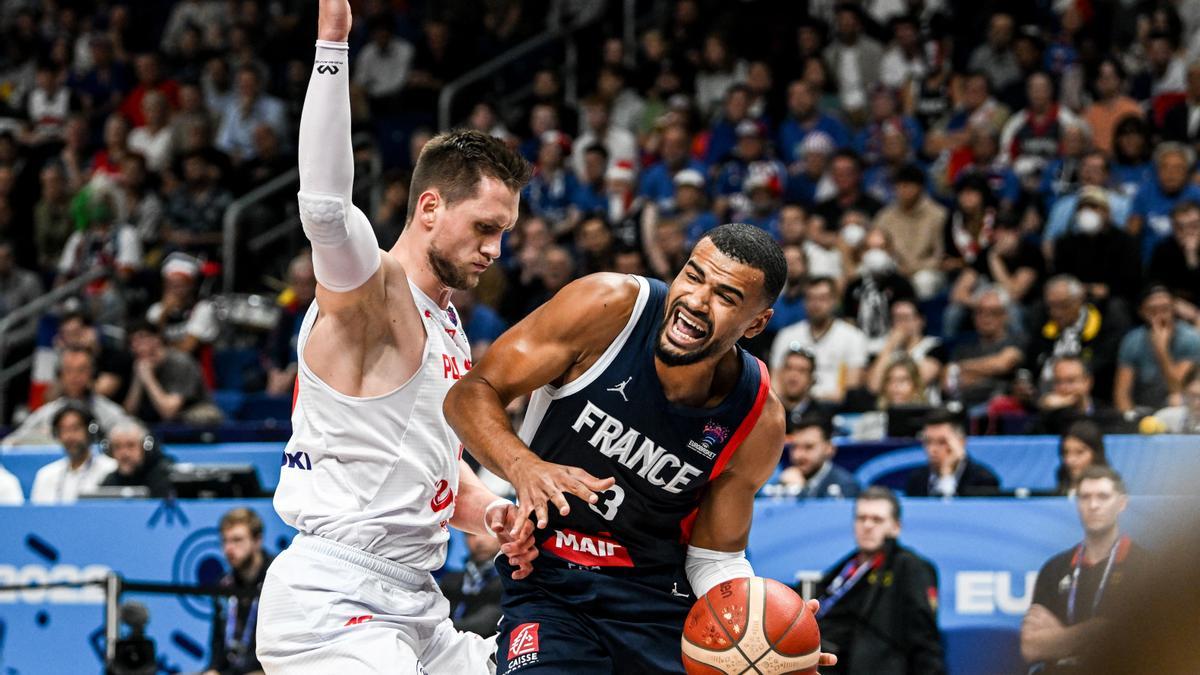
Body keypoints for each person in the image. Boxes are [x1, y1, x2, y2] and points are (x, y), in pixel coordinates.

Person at [256, 3, 538, 672]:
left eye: (504, 233)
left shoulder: (446, 321)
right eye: (484, 228)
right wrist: (332, 44)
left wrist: (491, 514)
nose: (496, 249)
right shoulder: (373, 295)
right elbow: (325, 210)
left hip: (414, 602)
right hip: (335, 601)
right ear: (431, 207)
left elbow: (422, 471)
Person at [444, 223, 836, 673]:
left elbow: (714, 557)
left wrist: (764, 628)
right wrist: (524, 467)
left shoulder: (758, 417)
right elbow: (470, 393)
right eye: (693, 276)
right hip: (550, 583)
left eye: (725, 297)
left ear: (756, 324)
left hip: (658, 603)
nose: (695, 301)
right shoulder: (606, 307)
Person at [1021, 467, 1148, 674]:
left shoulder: (1146, 566)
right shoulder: (1054, 568)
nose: (1093, 505)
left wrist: (1059, 639)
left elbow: (1139, 641)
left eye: (1103, 497)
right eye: (1085, 497)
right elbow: (1031, 647)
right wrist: (1098, 630)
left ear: (1122, 503)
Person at [813, 486, 945, 675]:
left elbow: (925, 641)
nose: (867, 525)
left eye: (877, 520)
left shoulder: (910, 567)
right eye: (861, 518)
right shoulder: (847, 566)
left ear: (896, 527)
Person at [771, 276, 869, 405]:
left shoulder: (853, 337)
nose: (816, 304)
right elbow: (775, 384)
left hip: (835, 410)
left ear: (834, 301)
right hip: (790, 407)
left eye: (822, 298)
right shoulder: (786, 335)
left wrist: (810, 398)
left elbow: (850, 389)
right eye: (811, 298)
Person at [2, 347, 128, 446]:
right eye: (69, 370)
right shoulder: (47, 413)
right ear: (61, 375)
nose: (74, 377)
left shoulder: (108, 411)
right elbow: (12, 442)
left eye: (81, 370)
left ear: (92, 373)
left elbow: (135, 433)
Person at [205, 508, 273, 675]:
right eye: (225, 541)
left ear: (257, 540)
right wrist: (213, 669)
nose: (228, 549)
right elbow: (218, 642)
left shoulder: (277, 579)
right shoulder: (223, 584)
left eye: (237, 540)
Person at [1114, 286, 1200, 415]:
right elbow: (1122, 393)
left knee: (1176, 400)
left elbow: (1176, 388)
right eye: (1153, 310)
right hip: (1144, 410)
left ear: (1174, 309)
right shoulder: (1132, 340)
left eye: (1165, 309)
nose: (1160, 315)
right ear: (1142, 312)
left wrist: (1161, 350)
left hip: (1180, 409)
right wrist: (1129, 417)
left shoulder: (1191, 338)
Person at [123, 321, 221, 426]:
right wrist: (138, 380)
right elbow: (128, 414)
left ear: (157, 338)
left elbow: (168, 412)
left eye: (142, 338)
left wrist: (148, 378)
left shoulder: (180, 363)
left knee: (201, 416)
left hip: (193, 416)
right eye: (132, 341)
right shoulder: (138, 364)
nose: (136, 345)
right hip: (159, 419)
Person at [29, 404, 117, 504]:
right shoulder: (46, 475)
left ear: (90, 431)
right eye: (64, 430)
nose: (70, 436)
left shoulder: (110, 470)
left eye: (75, 429)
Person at [904, 408, 999, 497]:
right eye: (928, 442)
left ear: (961, 442)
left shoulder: (983, 480)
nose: (932, 449)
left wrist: (946, 474)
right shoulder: (916, 480)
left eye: (942, 442)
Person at [777, 413, 859, 499]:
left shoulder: (846, 486)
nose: (798, 455)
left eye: (809, 447)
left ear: (829, 448)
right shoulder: (781, 483)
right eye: (794, 447)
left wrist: (799, 490)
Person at [438, 532, 504, 638]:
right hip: (448, 648)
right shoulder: (450, 581)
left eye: (487, 532)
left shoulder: (512, 579)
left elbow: (486, 623)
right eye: (471, 534)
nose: (479, 540)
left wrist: (435, 630)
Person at [99, 420, 174, 498]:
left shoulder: (162, 477)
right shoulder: (109, 482)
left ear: (145, 447)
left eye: (131, 445)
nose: (124, 453)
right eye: (117, 447)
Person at [1055, 420, 1108, 496]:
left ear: (1096, 453)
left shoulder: (1110, 491)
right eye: (1066, 452)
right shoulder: (1060, 490)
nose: (1070, 460)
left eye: (1079, 452)